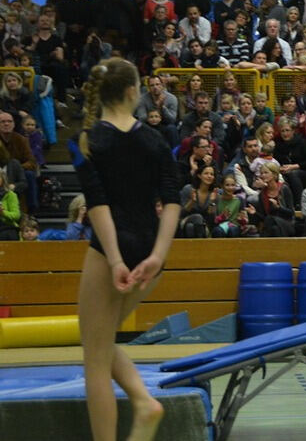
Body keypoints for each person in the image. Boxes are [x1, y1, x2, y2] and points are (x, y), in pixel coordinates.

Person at [68, 58, 180, 441]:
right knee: (100, 339)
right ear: (134, 92)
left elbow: (98, 205)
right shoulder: (156, 140)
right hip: (150, 246)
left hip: (110, 247)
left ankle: (141, 406)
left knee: (95, 359)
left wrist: (114, 258)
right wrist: (157, 257)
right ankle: (144, 403)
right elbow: (172, 201)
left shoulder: (87, 141)